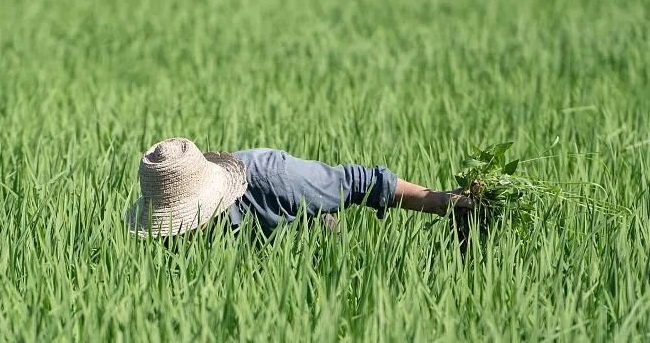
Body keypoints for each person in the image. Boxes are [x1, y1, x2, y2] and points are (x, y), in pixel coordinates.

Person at [125, 137, 471, 238]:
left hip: (311, 245)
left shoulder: (276, 177)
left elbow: (359, 183)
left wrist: (440, 202)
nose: (178, 232)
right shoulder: (169, 241)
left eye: (182, 220)